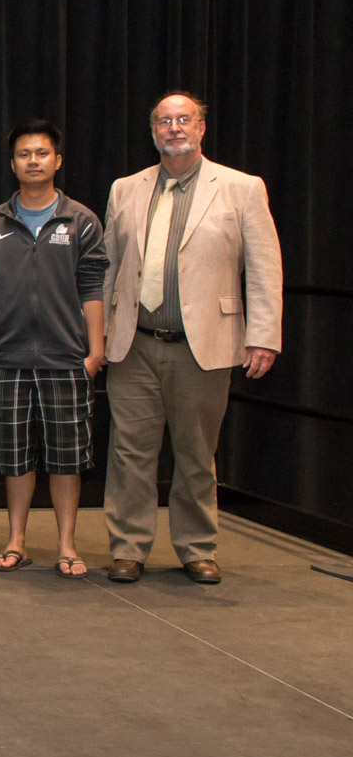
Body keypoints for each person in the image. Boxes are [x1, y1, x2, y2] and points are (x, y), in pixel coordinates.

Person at [101, 92, 283, 584]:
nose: (174, 128)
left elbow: (264, 268)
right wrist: (99, 335)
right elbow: (109, 267)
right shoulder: (125, 189)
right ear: (153, 131)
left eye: (184, 119)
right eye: (164, 121)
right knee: (129, 454)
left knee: (196, 454)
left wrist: (263, 336)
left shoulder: (242, 188)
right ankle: (128, 548)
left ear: (201, 128)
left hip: (203, 346)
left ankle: (197, 548)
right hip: (134, 344)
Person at [0, 119, 108, 578]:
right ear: (13, 164)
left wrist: (94, 352)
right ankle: (16, 541)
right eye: (24, 154)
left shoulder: (81, 220)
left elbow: (92, 286)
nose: (33, 161)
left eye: (42, 153)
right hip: (7, 359)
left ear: (58, 160)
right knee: (14, 456)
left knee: (67, 457)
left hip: (66, 357)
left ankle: (67, 545)